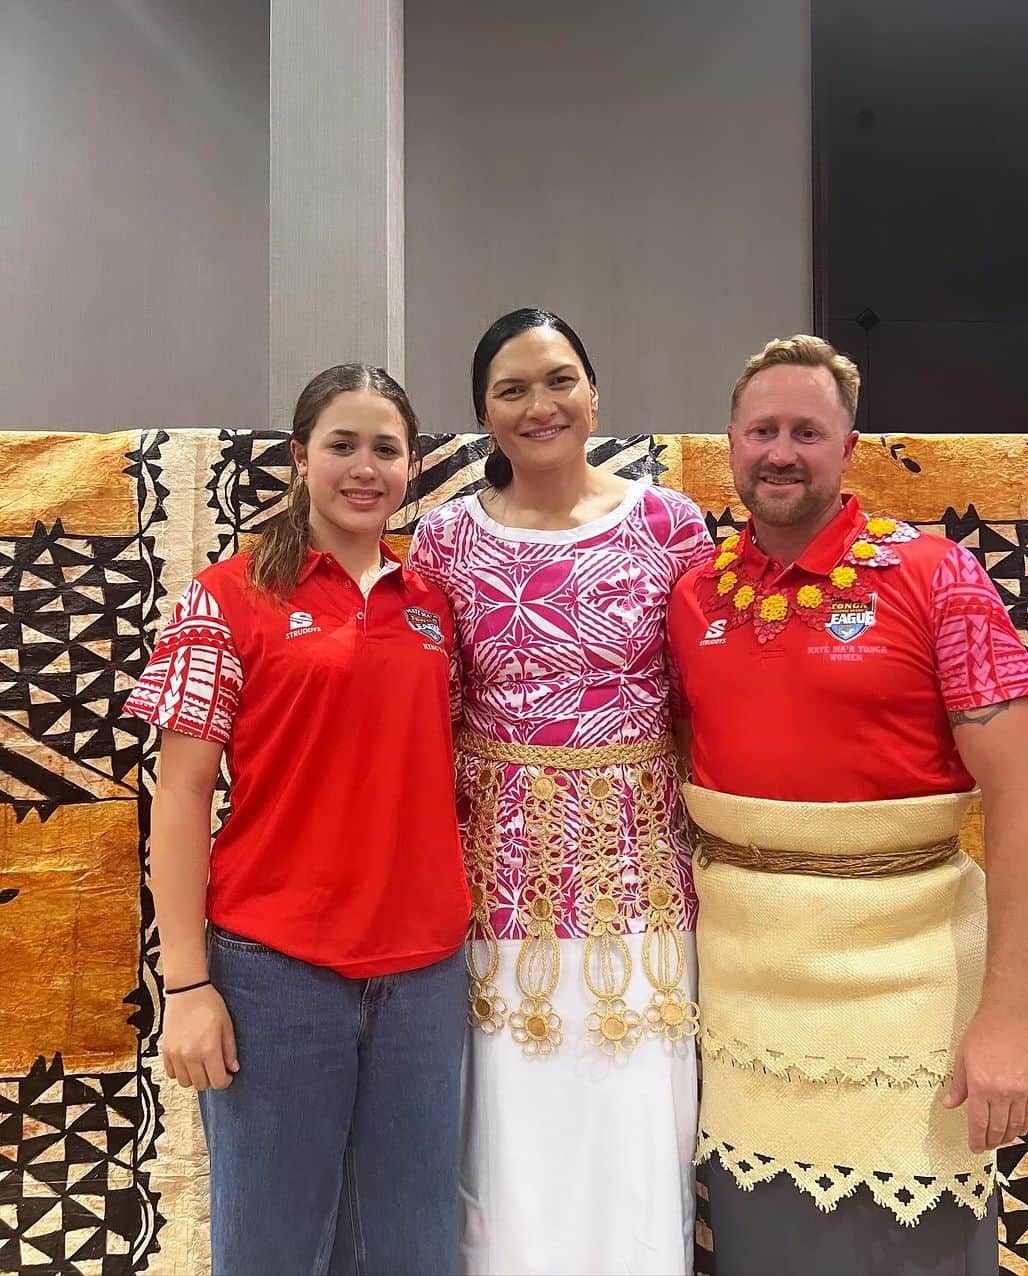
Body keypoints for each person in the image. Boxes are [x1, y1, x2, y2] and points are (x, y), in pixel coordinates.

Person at [667, 335, 1028, 1276]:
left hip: (909, 996)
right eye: (763, 429)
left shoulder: (937, 581)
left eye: (808, 430)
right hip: (749, 1004)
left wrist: (1010, 1012)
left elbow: (1021, 800)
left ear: (849, 449)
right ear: (730, 442)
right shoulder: (690, 597)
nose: (782, 451)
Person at [124, 364, 469, 1276]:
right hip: (274, 973)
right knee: (276, 1246)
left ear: (413, 467)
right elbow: (182, 795)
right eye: (342, 446)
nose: (365, 468)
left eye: (386, 450)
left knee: (414, 1245)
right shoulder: (229, 596)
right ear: (299, 459)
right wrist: (189, 986)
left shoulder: (435, 604)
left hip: (427, 976)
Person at [407, 308, 714, 1276]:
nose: (540, 404)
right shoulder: (447, 536)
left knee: (633, 1109)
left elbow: (709, 692)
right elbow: (426, 704)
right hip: (499, 865)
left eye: (558, 379)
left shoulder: (671, 523)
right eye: (512, 389)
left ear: (594, 393)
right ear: (483, 416)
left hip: (641, 864)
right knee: (507, 1117)